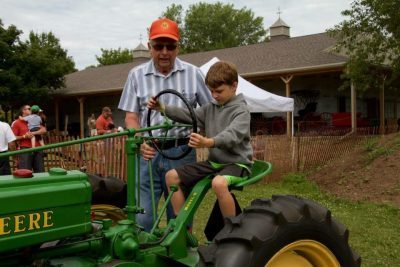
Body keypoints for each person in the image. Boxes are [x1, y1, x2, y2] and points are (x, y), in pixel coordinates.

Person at [118, 17, 212, 231]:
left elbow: (210, 112)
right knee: (143, 219)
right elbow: (131, 117)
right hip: (148, 153)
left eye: (170, 46)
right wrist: (141, 140)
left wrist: (208, 140)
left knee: (179, 220)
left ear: (178, 47)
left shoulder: (193, 74)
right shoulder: (136, 75)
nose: (164, 52)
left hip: (181, 153)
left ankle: (179, 258)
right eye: (159, 46)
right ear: (150, 47)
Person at [148, 61, 253, 219]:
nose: (214, 95)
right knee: (171, 176)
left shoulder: (241, 111)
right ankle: (180, 228)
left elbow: (233, 135)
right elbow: (189, 115)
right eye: (211, 91)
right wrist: (163, 108)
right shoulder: (211, 108)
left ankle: (232, 228)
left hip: (236, 163)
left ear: (234, 86)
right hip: (215, 163)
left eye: (219, 91)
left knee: (219, 183)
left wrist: (208, 142)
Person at [12, 105, 47, 172]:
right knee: (25, 172)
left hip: (38, 149)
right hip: (25, 149)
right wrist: (24, 136)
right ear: (23, 111)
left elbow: (44, 130)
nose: (31, 109)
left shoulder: (35, 119)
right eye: (29, 108)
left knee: (40, 172)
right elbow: (13, 137)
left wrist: (33, 133)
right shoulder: (16, 123)